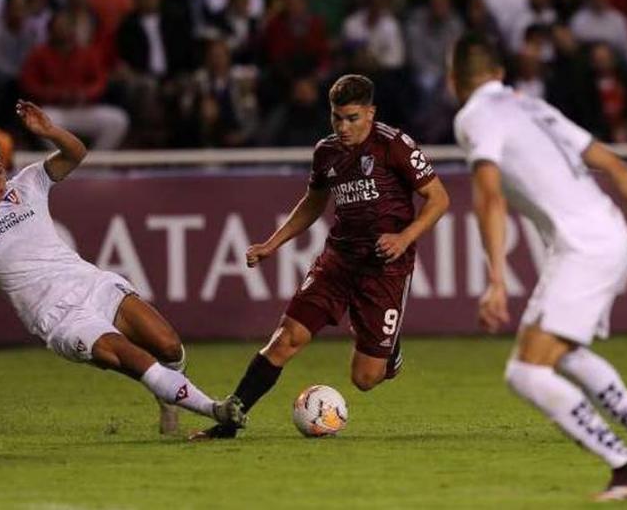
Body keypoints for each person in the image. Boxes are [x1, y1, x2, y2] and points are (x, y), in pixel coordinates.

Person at [0, 101, 245, 435]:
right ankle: (215, 410)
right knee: (131, 359)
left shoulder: (29, 183)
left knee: (169, 346)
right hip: (58, 317)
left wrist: (50, 129)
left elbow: (76, 153)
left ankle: (168, 398)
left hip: (92, 284)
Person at [449, 33, 627, 500]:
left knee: (526, 372)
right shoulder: (533, 107)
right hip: (607, 235)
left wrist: (496, 279)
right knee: (567, 354)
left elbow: (488, 195)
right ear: (500, 73)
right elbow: (616, 165)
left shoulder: (475, 116)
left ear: (453, 80)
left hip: (584, 248)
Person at [192, 74, 450, 440]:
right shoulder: (326, 152)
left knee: (364, 379)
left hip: (384, 267)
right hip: (338, 261)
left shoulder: (395, 145)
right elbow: (313, 203)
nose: (343, 127)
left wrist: (404, 237)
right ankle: (230, 420)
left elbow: (439, 198)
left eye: (352, 118)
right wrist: (272, 243)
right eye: (337, 118)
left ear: (371, 113)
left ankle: (389, 353)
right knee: (286, 338)